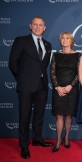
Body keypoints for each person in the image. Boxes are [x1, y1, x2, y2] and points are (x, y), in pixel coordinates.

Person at [8, 16, 53, 159]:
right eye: (35, 24)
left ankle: (38, 139)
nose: (38, 27)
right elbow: (12, 63)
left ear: (44, 28)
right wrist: (22, 78)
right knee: (25, 116)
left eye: (41, 25)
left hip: (42, 85)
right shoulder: (21, 41)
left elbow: (43, 65)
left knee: (39, 115)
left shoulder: (47, 44)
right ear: (30, 26)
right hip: (26, 85)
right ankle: (24, 145)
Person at [50, 32, 81, 152]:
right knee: (58, 115)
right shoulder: (56, 56)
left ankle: (66, 137)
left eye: (67, 38)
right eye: (62, 38)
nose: (64, 40)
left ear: (71, 41)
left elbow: (79, 73)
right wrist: (57, 87)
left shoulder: (78, 56)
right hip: (58, 90)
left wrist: (70, 86)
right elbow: (52, 72)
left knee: (68, 115)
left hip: (71, 90)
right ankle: (58, 140)